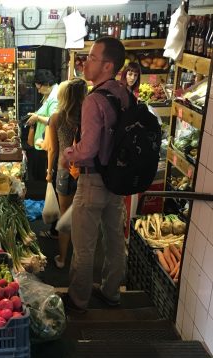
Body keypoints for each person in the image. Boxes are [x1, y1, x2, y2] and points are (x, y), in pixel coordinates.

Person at [61, 36, 130, 313]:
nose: (85, 62)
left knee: (84, 244)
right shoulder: (124, 93)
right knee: (114, 240)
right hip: (117, 180)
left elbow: (88, 148)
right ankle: (112, 292)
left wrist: (69, 154)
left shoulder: (94, 100)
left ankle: (79, 300)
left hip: (92, 181)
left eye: (91, 58)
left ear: (107, 66)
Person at [40, 79, 88, 269]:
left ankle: (62, 258)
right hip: (85, 172)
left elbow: (52, 149)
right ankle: (81, 259)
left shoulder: (57, 117)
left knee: (65, 216)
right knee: (82, 217)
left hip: (64, 171)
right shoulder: (87, 117)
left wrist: (49, 172)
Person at [26, 69, 59, 238]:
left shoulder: (55, 97)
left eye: (39, 87)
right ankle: (55, 225)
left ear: (46, 84)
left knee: (50, 180)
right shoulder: (50, 94)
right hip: (46, 145)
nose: (38, 90)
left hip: (50, 146)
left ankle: (55, 227)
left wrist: (37, 118)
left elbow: (53, 120)